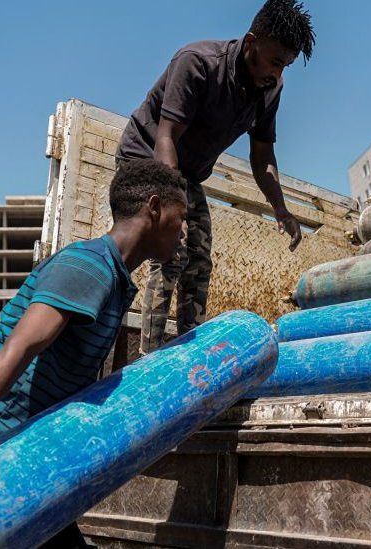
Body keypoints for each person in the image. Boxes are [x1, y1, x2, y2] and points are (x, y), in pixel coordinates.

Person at [0, 159, 187, 545]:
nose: (184, 233)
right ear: (155, 207)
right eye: (181, 218)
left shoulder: (114, 278)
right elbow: (19, 348)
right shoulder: (89, 267)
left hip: (19, 451)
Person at [117, 0, 316, 354]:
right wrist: (170, 210)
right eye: (274, 62)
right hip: (146, 156)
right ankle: (148, 356)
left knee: (199, 259)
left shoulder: (271, 90)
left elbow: (263, 157)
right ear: (252, 41)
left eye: (285, 66)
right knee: (172, 252)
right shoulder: (198, 63)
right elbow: (166, 138)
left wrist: (282, 210)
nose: (277, 74)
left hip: (188, 173)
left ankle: (191, 352)